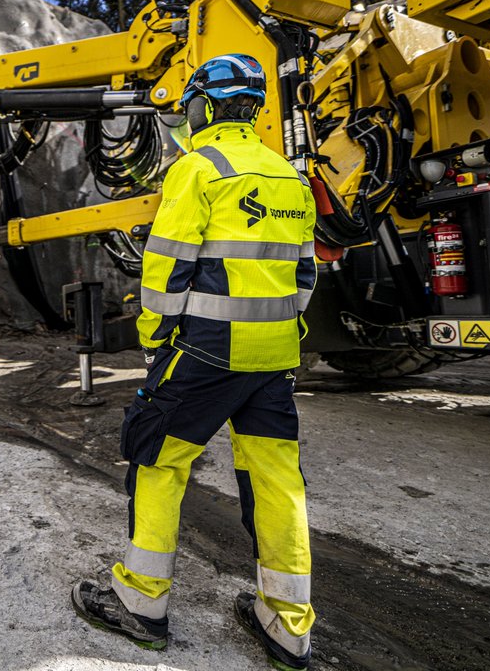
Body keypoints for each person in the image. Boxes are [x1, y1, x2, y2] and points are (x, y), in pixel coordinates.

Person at [71, 54, 318, 671]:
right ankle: (287, 624)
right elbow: (305, 275)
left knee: (158, 458)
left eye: (189, 106)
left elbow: (166, 270)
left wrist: (155, 340)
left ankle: (140, 600)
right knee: (277, 480)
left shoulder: (198, 169)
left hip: (206, 350)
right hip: (275, 354)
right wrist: (278, 333)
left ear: (204, 106)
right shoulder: (289, 175)